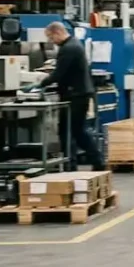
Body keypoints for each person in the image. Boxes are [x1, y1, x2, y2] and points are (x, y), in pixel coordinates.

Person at [37, 22, 102, 170]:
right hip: (78, 94)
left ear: (57, 32)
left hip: (75, 95)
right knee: (76, 131)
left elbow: (58, 74)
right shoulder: (74, 44)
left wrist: (40, 84)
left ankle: (74, 165)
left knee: (69, 132)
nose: (51, 41)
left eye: (51, 37)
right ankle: (92, 162)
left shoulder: (69, 48)